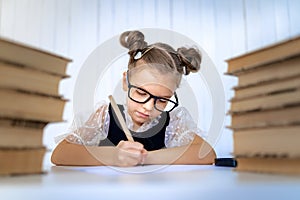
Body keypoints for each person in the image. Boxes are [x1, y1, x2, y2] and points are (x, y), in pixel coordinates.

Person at [51, 30, 216, 167]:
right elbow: (60, 154)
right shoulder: (105, 116)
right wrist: (114, 156)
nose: (149, 107)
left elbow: (207, 154)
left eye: (162, 100)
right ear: (126, 81)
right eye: (142, 93)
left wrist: (145, 158)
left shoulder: (173, 124)